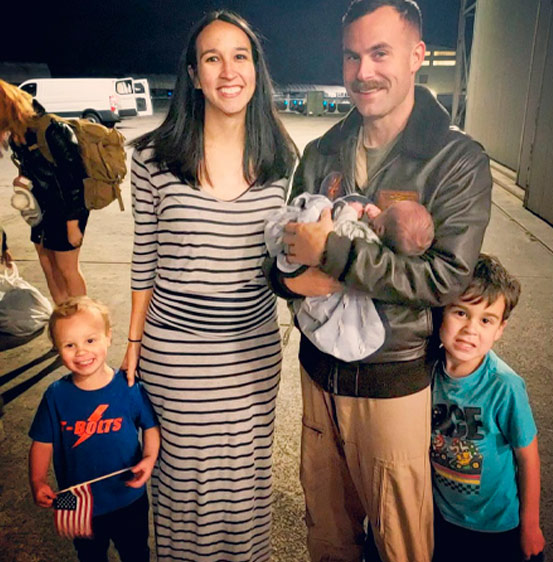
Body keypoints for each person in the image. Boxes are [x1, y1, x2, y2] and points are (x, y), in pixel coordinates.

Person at [264, 1, 493, 560]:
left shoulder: (456, 160)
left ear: (417, 56)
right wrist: (287, 281)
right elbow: (285, 249)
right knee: (328, 533)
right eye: (351, 56)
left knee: (400, 543)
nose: (363, 71)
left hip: (392, 384)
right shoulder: (320, 152)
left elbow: (444, 277)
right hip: (318, 378)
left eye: (380, 52)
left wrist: (336, 254)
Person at [121, 10, 297, 561]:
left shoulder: (283, 161)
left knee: (243, 485)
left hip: (251, 352)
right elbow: (143, 260)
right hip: (175, 355)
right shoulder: (151, 157)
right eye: (212, 58)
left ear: (256, 69)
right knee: (181, 487)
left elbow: (290, 262)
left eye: (240, 56)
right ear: (193, 74)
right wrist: (132, 344)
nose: (228, 70)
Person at [28, 296, 160, 561]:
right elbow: (42, 442)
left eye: (90, 340)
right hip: (75, 499)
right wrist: (38, 480)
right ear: (57, 349)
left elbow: (150, 426)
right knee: (89, 555)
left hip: (128, 495)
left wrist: (149, 457)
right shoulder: (56, 396)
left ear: (108, 337)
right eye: (69, 344)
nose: (81, 352)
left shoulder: (129, 387)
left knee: (136, 552)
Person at [432, 254, 545, 562]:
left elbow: (528, 456)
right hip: (442, 519)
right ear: (441, 313)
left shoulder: (505, 386)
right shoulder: (426, 374)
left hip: (496, 526)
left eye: (485, 320)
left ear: (500, 329)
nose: (471, 329)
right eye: (460, 313)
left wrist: (530, 524)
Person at [266, 195, 434, 361]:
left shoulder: (362, 236)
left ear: (380, 229)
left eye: (387, 210)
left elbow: (341, 230)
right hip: (352, 353)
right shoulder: (386, 252)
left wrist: (349, 210)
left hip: (334, 307)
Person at [0, 79, 89, 305]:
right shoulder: (19, 135)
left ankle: (82, 318)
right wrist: (22, 181)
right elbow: (34, 170)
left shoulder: (53, 130)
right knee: (47, 263)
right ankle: (62, 317)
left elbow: (75, 181)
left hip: (67, 209)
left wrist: (73, 224)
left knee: (67, 268)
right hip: (40, 207)